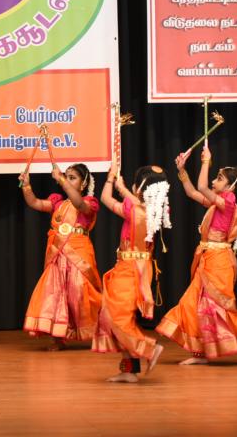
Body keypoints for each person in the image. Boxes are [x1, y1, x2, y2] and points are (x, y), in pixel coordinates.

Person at [156, 145, 237, 364]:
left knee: (212, 308)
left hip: (219, 261)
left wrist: (206, 161)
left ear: (231, 186)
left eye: (219, 178)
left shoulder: (228, 203)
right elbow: (192, 192)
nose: (214, 181)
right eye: (215, 177)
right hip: (207, 258)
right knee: (191, 304)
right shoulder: (217, 204)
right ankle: (200, 353)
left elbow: (202, 187)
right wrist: (182, 170)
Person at [92, 162, 168, 383]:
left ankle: (149, 348)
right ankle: (129, 370)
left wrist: (117, 184)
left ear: (140, 188)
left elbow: (117, 201)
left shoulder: (141, 211)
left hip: (131, 269)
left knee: (117, 316)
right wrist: (116, 182)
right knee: (121, 317)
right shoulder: (147, 211)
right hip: (133, 268)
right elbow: (111, 200)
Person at [20, 162, 102, 349]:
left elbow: (79, 204)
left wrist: (61, 179)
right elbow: (35, 203)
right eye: (66, 177)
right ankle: (58, 337)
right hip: (57, 254)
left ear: (83, 183)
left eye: (72, 178)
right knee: (55, 294)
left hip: (79, 253)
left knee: (79, 292)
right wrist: (26, 185)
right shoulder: (58, 203)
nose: (67, 180)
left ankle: (98, 331)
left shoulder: (89, 202)